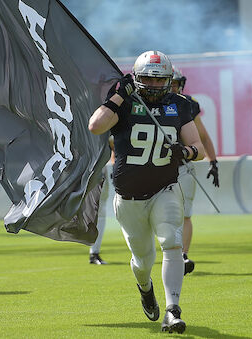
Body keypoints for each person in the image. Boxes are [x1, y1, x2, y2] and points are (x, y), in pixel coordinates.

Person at [88, 51, 205, 334]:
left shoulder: (180, 105)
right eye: (147, 80)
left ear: (169, 80)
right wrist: (117, 97)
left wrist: (186, 151)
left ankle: (172, 310)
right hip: (128, 198)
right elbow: (95, 126)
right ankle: (145, 287)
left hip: (165, 189)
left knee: (172, 244)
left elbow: (198, 148)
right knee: (143, 262)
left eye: (159, 80)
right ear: (136, 79)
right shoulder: (125, 103)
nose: (153, 86)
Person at [170, 66, 219, 275]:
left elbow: (203, 136)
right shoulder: (147, 104)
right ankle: (169, 254)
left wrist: (213, 161)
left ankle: (183, 255)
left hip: (184, 166)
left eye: (174, 83)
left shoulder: (188, 104)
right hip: (155, 167)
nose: (172, 88)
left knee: (185, 213)